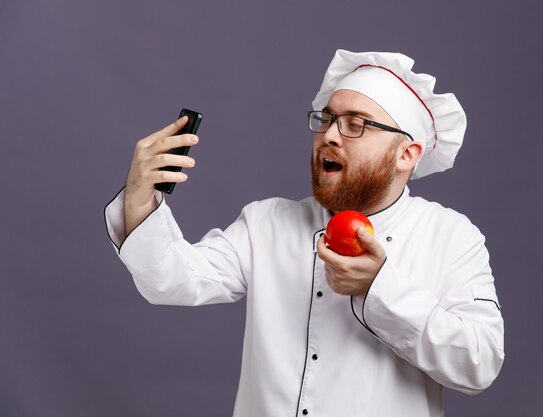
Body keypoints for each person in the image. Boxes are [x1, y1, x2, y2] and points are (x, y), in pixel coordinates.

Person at [105, 49, 504, 417]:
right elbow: (170, 281)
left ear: (406, 154)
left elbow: (479, 364)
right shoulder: (267, 224)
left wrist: (379, 289)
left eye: (355, 125)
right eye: (327, 119)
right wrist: (140, 196)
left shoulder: (451, 237)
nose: (329, 135)